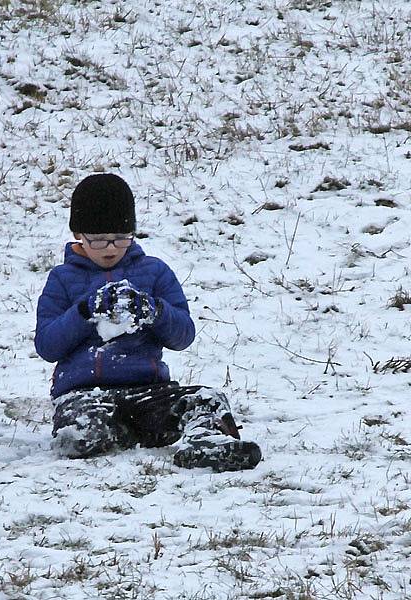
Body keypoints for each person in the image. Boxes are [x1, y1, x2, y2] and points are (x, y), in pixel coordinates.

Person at [34, 173, 261, 471]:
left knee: (208, 399)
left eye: (121, 239)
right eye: (99, 241)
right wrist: (84, 312)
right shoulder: (62, 279)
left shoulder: (153, 272)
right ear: (78, 235)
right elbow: (48, 345)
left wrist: (155, 311)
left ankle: (206, 442)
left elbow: (184, 335)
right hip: (84, 394)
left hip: (148, 391)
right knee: (84, 430)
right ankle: (108, 434)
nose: (111, 248)